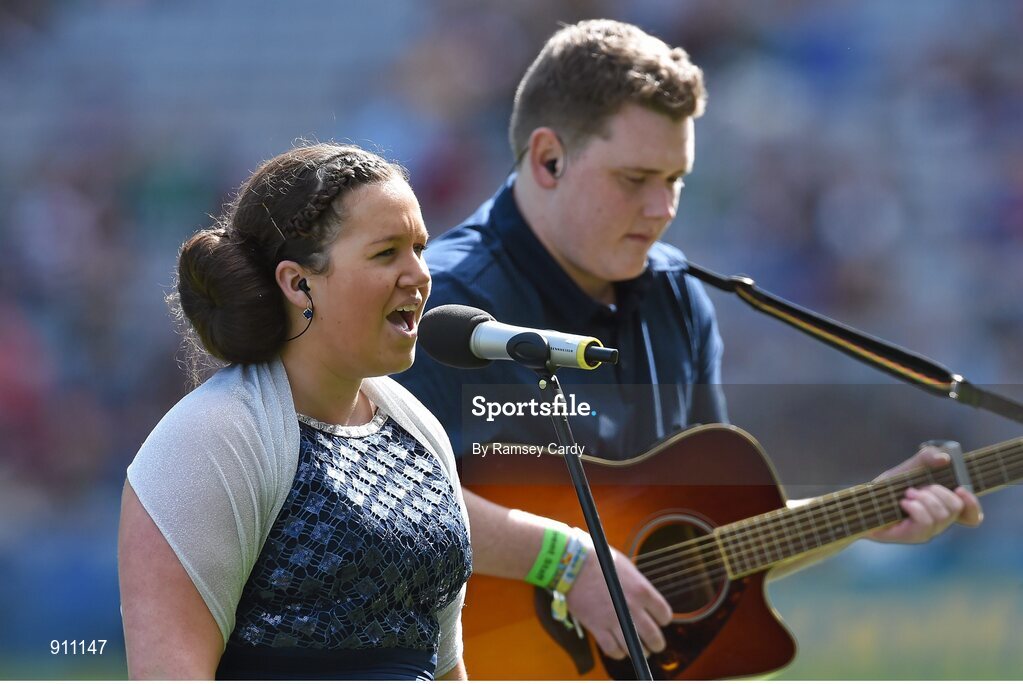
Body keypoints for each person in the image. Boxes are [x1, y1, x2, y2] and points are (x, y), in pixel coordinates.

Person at [395, 19, 982, 663]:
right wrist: (566, 561)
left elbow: (711, 547)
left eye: (676, 180)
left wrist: (867, 511)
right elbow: (380, 500)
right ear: (547, 159)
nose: (663, 207)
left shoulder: (679, 299)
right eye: (635, 179)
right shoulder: (434, 299)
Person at [118, 143, 472, 680]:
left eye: (420, 248)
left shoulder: (419, 433)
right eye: (386, 253)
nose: (419, 275)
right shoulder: (209, 440)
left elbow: (445, 667)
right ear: (297, 282)